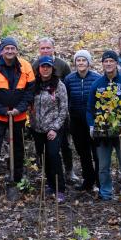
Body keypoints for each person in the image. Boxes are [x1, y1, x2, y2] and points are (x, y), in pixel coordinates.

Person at [0, 37, 35, 200]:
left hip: (18, 117)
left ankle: (16, 182)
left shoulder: (26, 66)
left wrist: (19, 109)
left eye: (13, 48)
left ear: (17, 50)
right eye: (7, 48)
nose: (10, 51)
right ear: (2, 50)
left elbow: (30, 91)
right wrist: (1, 110)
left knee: (18, 150)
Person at [86, 51, 121, 200]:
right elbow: (89, 109)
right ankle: (106, 193)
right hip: (102, 129)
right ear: (102, 64)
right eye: (105, 61)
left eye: (111, 61)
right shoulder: (97, 84)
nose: (108, 64)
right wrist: (91, 126)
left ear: (116, 63)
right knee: (103, 166)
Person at [31, 37, 75, 184]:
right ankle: (50, 182)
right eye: (42, 48)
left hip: (58, 119)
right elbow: (30, 94)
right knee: (44, 154)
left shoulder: (62, 66)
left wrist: (58, 124)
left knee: (62, 148)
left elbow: (68, 87)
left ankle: (67, 173)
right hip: (39, 125)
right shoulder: (35, 65)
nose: (45, 50)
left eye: (47, 48)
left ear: (53, 49)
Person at [29, 56, 69, 203]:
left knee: (53, 155)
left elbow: (64, 109)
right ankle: (51, 185)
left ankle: (60, 189)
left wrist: (54, 128)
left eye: (48, 66)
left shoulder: (59, 86)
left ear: (52, 68)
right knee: (43, 157)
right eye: (42, 66)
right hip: (37, 129)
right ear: (38, 69)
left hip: (53, 128)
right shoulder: (34, 85)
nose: (45, 69)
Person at [64, 50, 101, 192]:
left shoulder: (97, 78)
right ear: (75, 63)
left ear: (89, 62)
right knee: (83, 153)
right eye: (78, 60)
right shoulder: (69, 79)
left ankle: (100, 182)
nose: (80, 63)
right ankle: (88, 181)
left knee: (97, 153)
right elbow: (65, 98)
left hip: (94, 121)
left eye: (83, 60)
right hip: (76, 121)